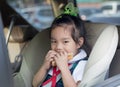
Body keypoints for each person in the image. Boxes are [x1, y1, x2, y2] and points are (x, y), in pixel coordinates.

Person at [32, 3, 87, 87]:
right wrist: (44, 66)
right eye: (54, 41)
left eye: (65, 42)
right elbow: (35, 84)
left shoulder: (81, 65)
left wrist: (64, 68)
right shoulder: (52, 62)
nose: (58, 47)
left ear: (79, 43)